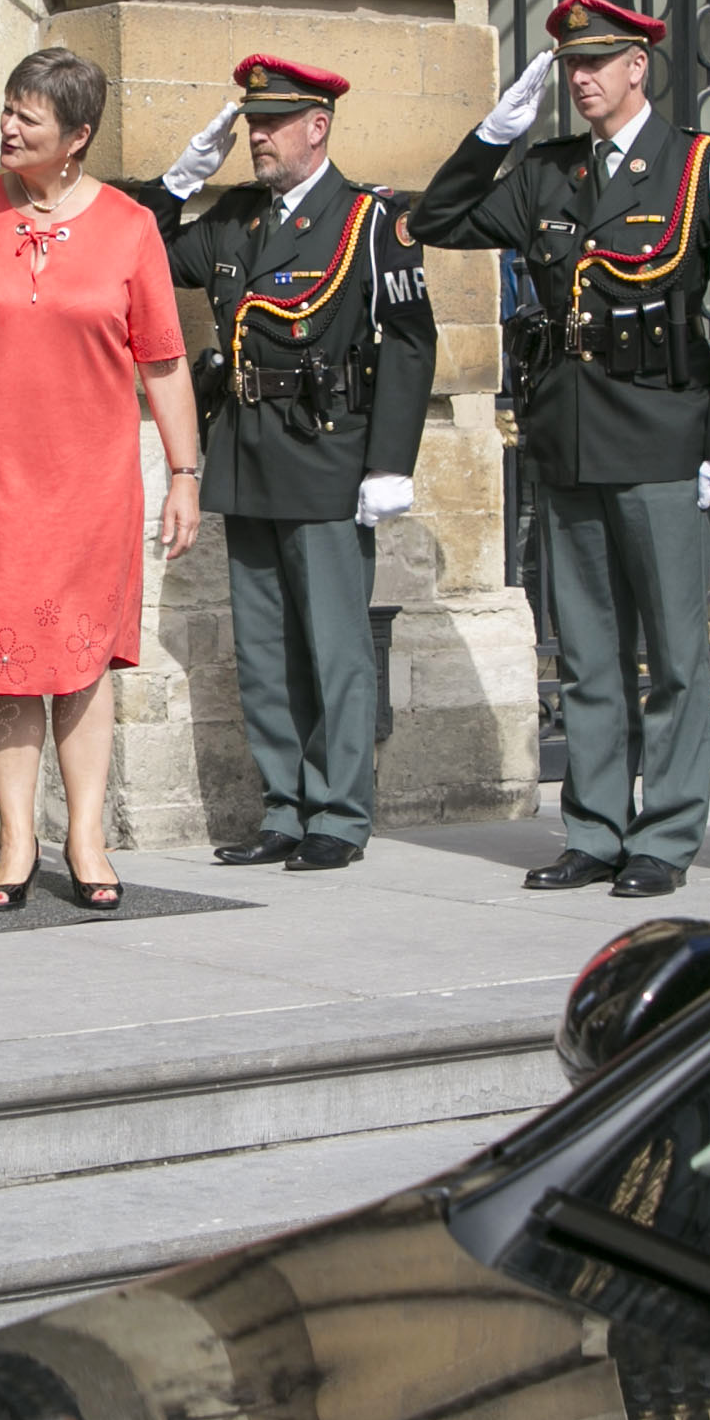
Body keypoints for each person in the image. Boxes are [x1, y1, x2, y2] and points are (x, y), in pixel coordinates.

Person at [413, 0, 710, 898]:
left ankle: (668, 834)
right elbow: (439, 221)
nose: (582, 80)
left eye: (598, 64)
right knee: (587, 654)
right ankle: (595, 828)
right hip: (568, 437)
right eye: (572, 66)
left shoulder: (701, 168)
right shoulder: (548, 174)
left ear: (639, 66)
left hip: (661, 438)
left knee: (677, 657)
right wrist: (496, 132)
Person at [129, 55, 436, 872]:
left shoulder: (370, 222)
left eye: (270, 124)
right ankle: (286, 805)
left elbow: (410, 346)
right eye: (249, 125)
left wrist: (389, 464)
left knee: (334, 649)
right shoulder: (235, 221)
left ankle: (339, 811)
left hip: (328, 455)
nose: (255, 138)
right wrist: (177, 181)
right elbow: (135, 249)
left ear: (317, 126)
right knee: (263, 650)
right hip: (247, 451)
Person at [0, 48, 202, 911]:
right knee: (7, 666)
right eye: (7, 108)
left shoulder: (129, 227)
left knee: (79, 666)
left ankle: (85, 834)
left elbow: (164, 361)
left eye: (27, 116)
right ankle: (13, 842)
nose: (7, 125)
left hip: (90, 485)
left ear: (75, 137)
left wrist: (184, 473)